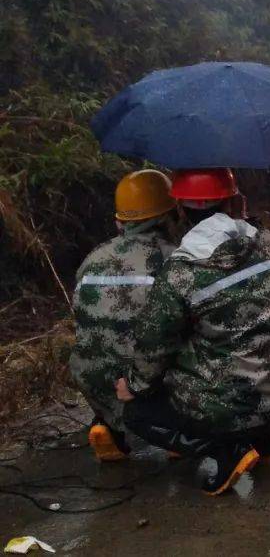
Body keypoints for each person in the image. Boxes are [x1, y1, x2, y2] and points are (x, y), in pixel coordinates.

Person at [116, 168, 270, 495]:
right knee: (254, 338)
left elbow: (155, 346)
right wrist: (246, 219)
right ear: (233, 201)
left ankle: (226, 453)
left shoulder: (180, 271)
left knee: (138, 412)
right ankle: (265, 448)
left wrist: (133, 385)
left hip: (237, 411)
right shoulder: (269, 243)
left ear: (179, 209)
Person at [70, 169, 178, 462]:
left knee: (104, 348)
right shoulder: (174, 259)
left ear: (119, 221)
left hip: (95, 381)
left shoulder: (93, 258)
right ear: (170, 215)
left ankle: (108, 428)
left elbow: (82, 320)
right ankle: (175, 434)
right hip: (144, 384)